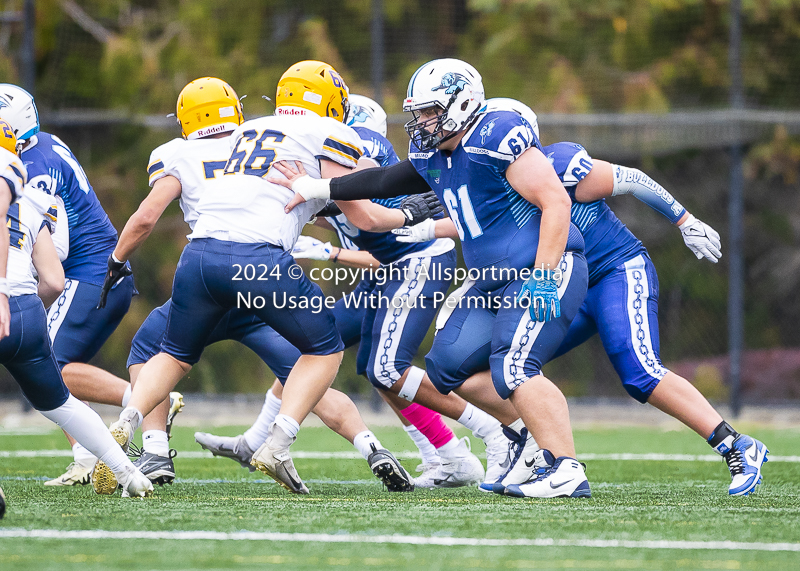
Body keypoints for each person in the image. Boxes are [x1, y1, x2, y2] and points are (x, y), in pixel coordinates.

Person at [398, 98, 768, 497]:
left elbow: (631, 178)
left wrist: (685, 220)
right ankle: (535, 439)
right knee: (488, 367)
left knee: (639, 373)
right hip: (561, 282)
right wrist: (429, 229)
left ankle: (737, 445)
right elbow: (482, 225)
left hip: (612, 273)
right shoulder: (488, 177)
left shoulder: (556, 166)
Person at [100, 61, 437, 494]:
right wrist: (411, 212)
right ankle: (278, 443)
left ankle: (127, 422)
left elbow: (303, 198)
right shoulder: (327, 133)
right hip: (257, 259)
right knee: (324, 349)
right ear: (331, 100)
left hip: (199, 256)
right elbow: (366, 217)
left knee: (174, 354)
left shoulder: (249, 131)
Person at [272, 59, 593, 499]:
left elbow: (556, 202)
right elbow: (383, 179)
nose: (420, 122)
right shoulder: (432, 151)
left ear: (461, 102)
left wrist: (543, 276)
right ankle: (525, 436)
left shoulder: (496, 134)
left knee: (515, 365)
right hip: (491, 281)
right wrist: (320, 189)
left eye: (428, 111)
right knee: (447, 368)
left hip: (539, 269)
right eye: (417, 112)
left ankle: (564, 466)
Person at [0, 120, 152, 498]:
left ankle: (139, 399)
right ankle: (129, 473)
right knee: (63, 404)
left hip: (5, 299)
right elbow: (53, 279)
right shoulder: (34, 198)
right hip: (27, 314)